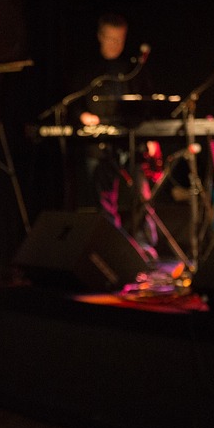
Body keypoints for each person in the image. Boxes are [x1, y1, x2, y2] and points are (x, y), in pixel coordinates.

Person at [67, 13, 157, 256]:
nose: (116, 44)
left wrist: (149, 136)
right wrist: (84, 117)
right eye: (110, 39)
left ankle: (145, 247)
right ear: (100, 37)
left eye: (120, 39)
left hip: (130, 143)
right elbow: (72, 104)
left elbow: (147, 105)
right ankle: (114, 249)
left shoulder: (133, 68)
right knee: (105, 200)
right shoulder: (88, 70)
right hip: (100, 146)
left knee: (142, 196)